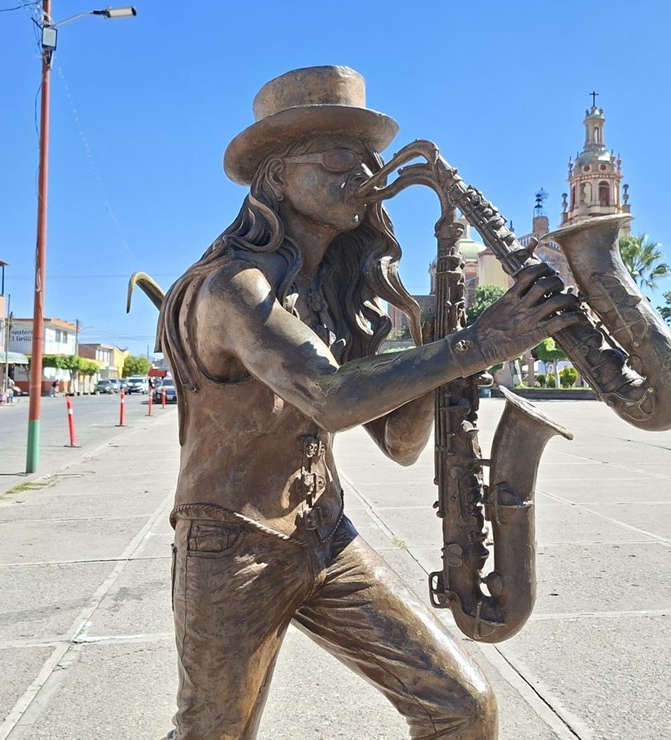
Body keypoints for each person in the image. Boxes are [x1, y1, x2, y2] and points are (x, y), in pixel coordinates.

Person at [156, 66, 584, 739]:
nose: (361, 177)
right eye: (334, 160)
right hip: (231, 546)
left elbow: (400, 443)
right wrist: (474, 345)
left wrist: (439, 353)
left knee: (462, 709)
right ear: (277, 177)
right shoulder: (232, 288)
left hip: (324, 536)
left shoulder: (336, 295)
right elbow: (328, 399)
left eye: (367, 162)